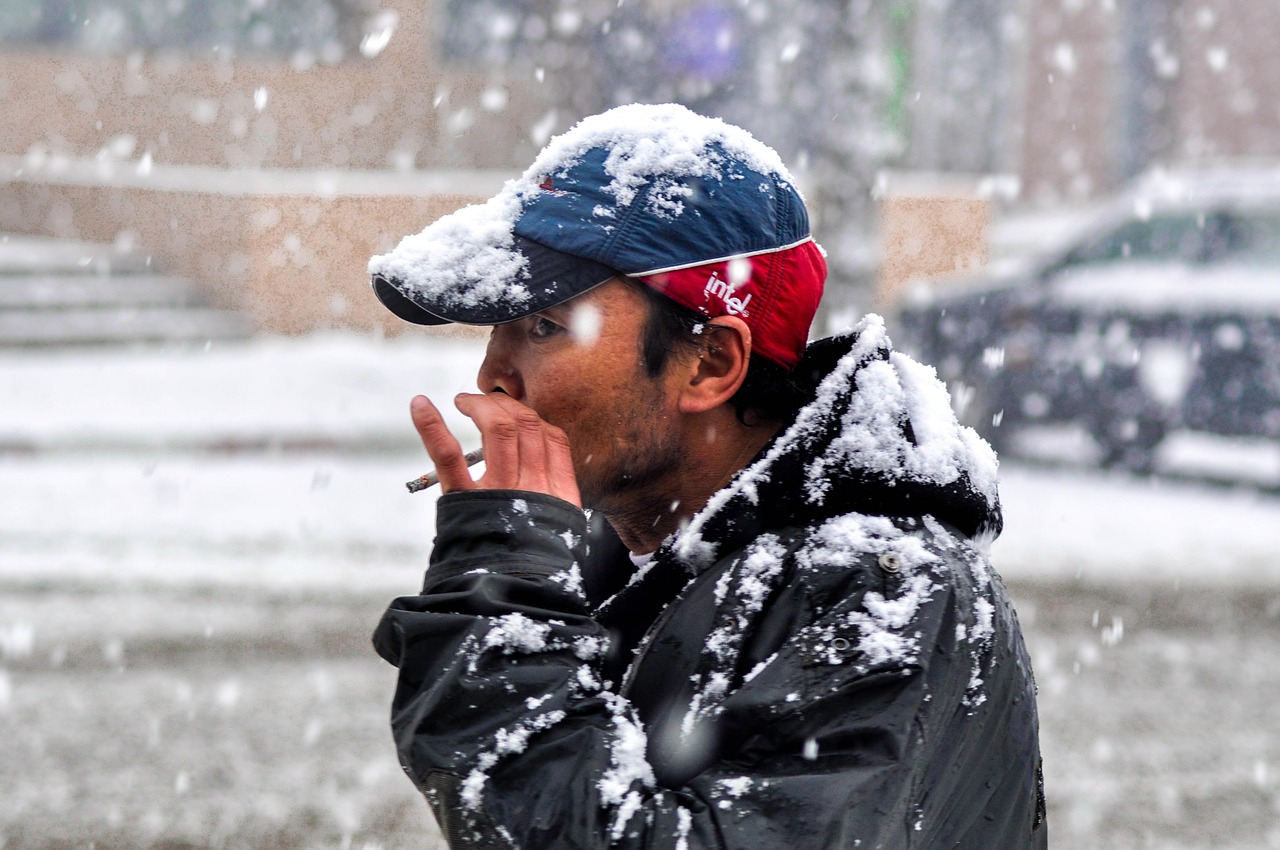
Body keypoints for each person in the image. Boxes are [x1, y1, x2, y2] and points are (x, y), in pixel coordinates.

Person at [368, 103, 1046, 849]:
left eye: (543, 327)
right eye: (500, 329)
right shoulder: (617, 564)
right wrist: (506, 599)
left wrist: (502, 613)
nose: (493, 377)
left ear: (712, 364)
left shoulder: (888, 590)